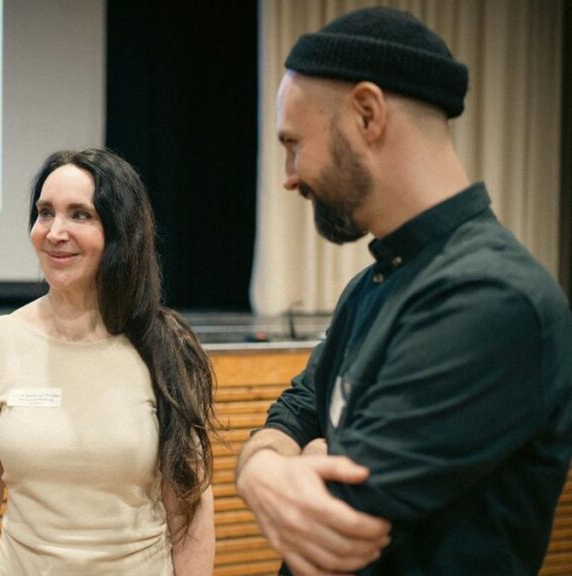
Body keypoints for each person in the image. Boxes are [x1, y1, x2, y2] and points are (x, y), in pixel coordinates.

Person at [235, 7, 572, 576]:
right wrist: (264, 466)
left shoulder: (490, 297)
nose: (289, 176)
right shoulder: (375, 282)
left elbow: (339, 513)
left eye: (294, 143)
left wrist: (297, 459)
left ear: (367, 113)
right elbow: (298, 410)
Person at [0, 148, 218, 575]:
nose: (55, 231)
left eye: (80, 215)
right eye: (44, 213)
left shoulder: (165, 343)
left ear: (120, 232)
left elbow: (189, 508)